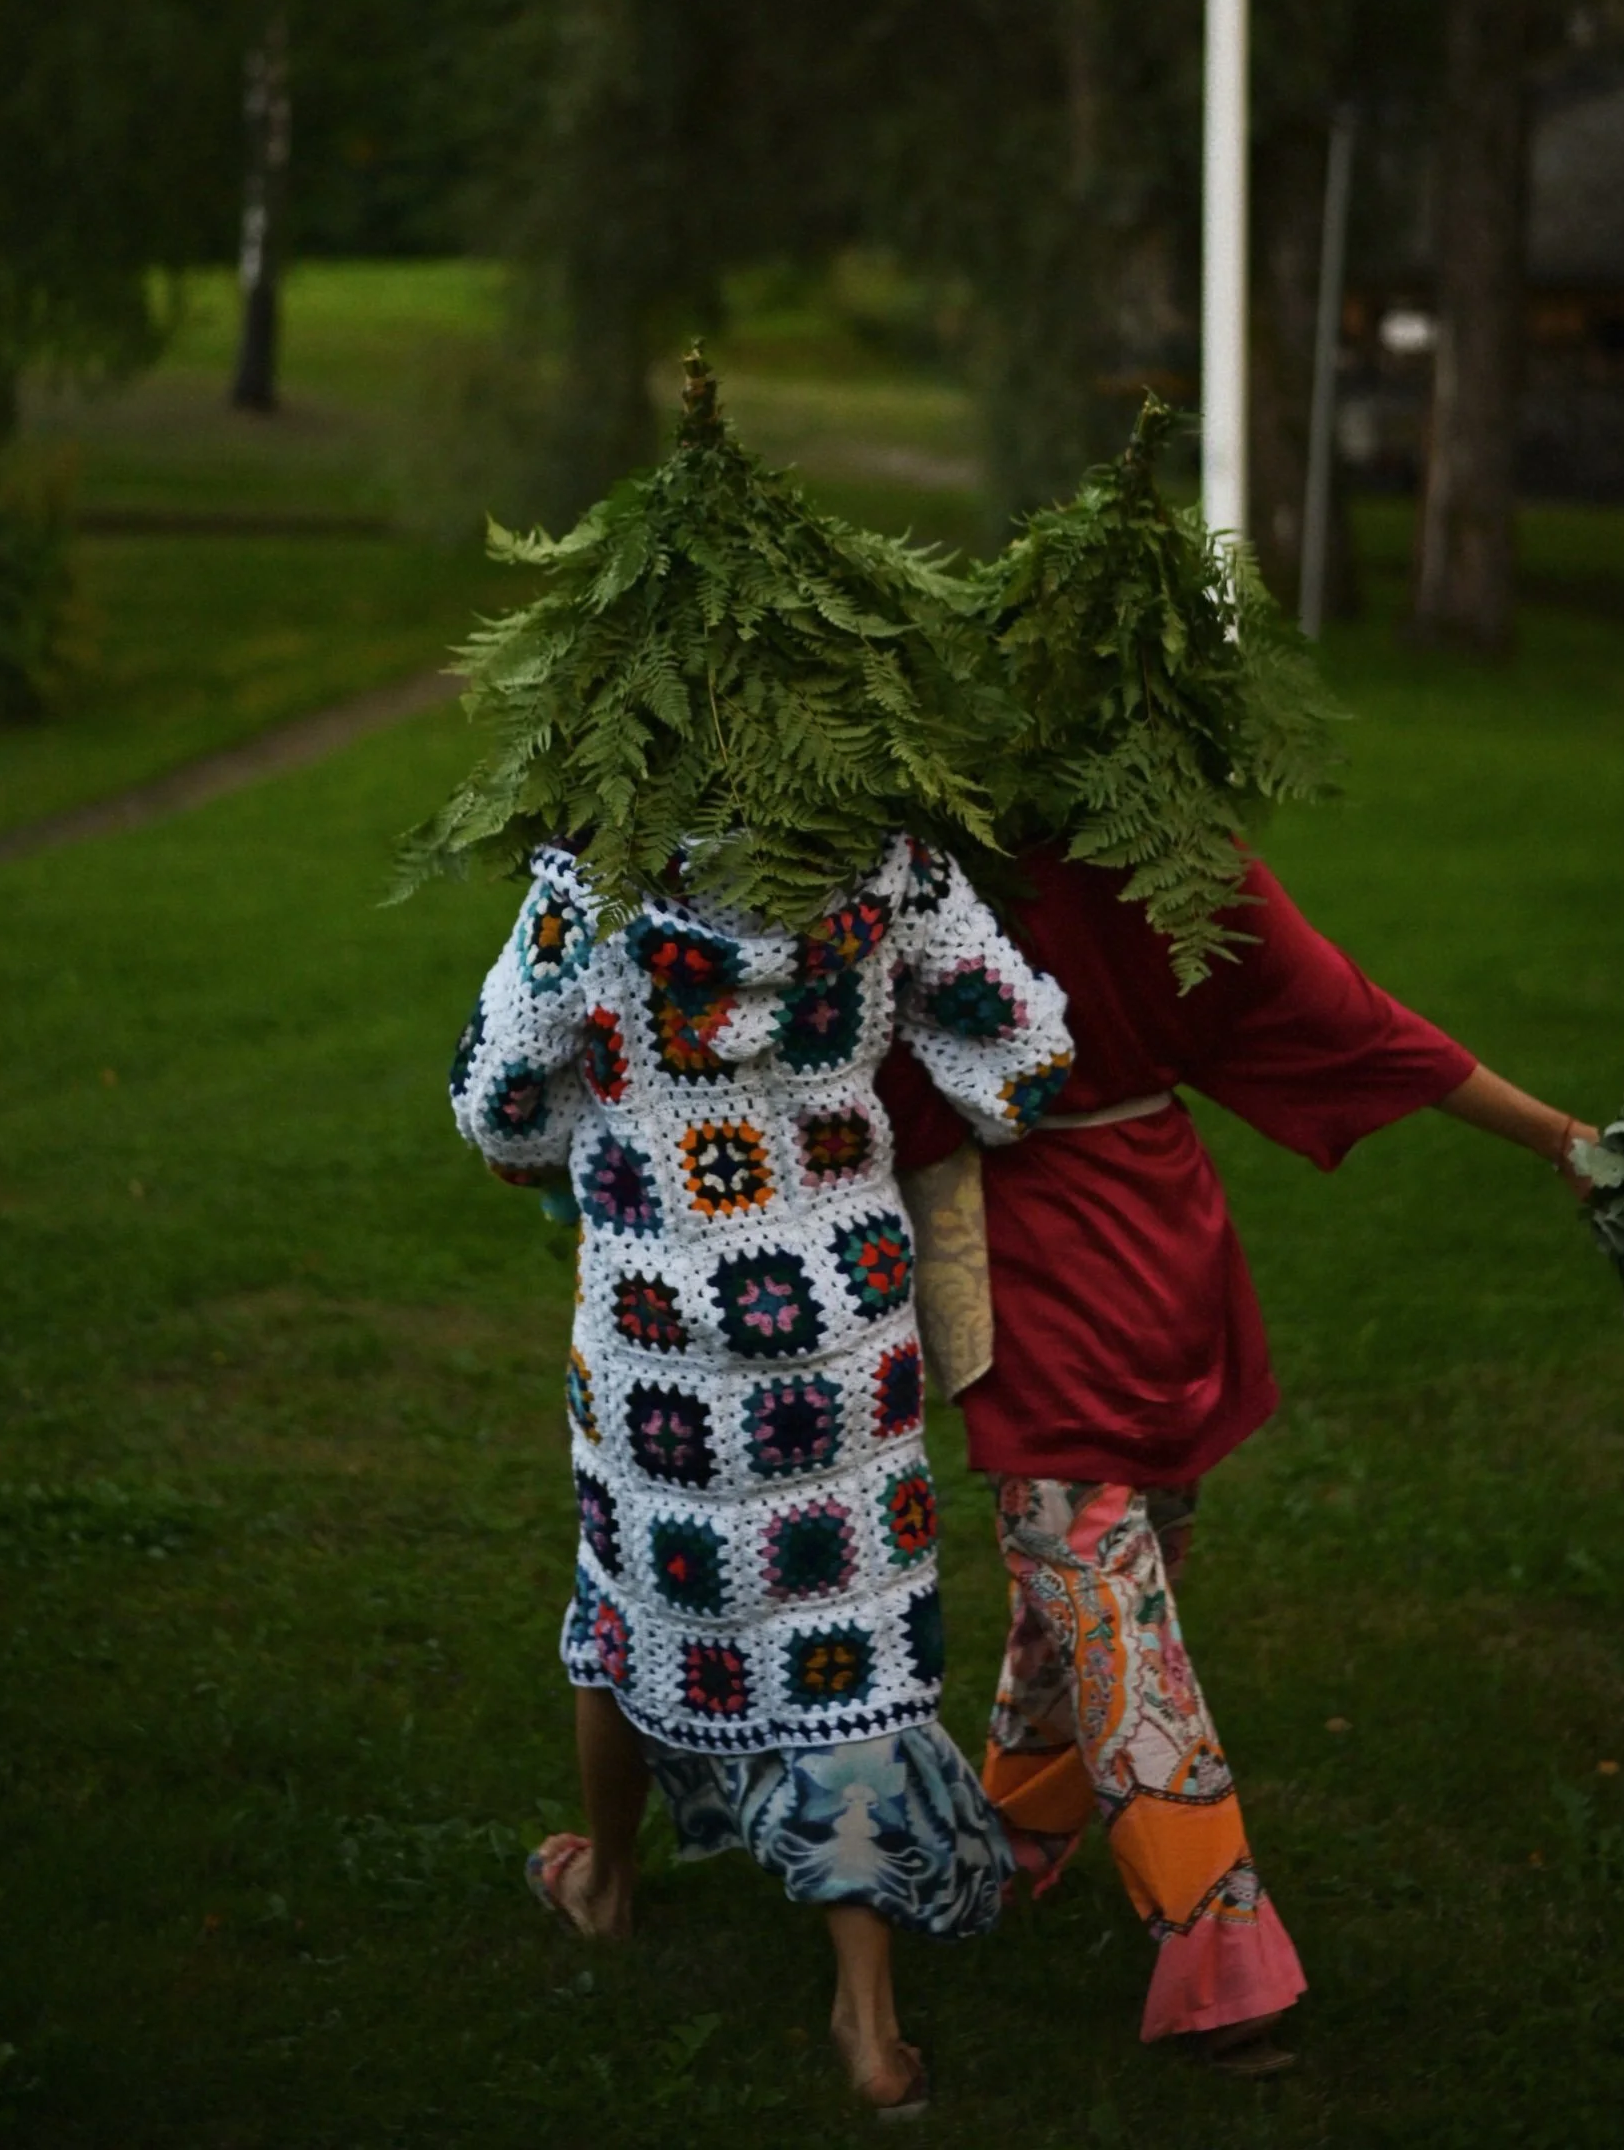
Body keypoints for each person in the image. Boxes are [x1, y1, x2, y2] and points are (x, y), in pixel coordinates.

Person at [419, 359, 1074, 2115]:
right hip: (844, 1318)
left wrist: (590, 1142)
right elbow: (1023, 1056)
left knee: (637, 1599)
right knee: (846, 1632)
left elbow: (493, 1105)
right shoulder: (889, 863)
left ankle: (613, 1878)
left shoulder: (594, 881)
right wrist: (875, 1071)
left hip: (656, 1331)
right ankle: (865, 2019)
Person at [879, 848, 1597, 2073]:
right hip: (1162, 1236)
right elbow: (1344, 1015)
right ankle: (1009, 1844)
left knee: (1098, 1583)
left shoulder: (926, 861)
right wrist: (1561, 1138)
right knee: (1099, 1565)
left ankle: (1221, 1955)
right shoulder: (1170, 851)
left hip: (1043, 1252)